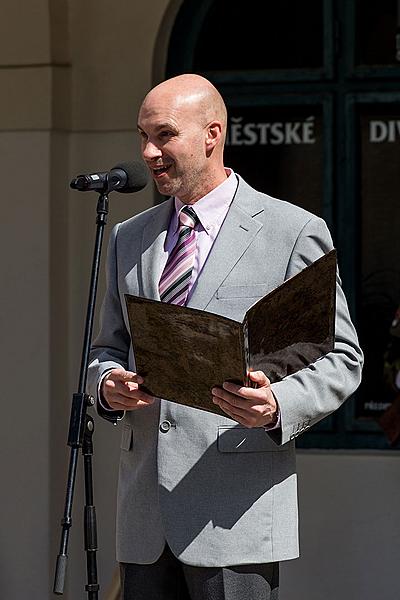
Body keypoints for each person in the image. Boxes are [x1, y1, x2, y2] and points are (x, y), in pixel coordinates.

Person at [87, 74, 363, 600]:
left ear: (212, 134)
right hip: (145, 516)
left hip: (236, 514)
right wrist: (107, 385)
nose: (148, 152)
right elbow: (106, 346)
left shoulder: (292, 231)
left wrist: (277, 403)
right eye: (142, 136)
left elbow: (343, 358)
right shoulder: (130, 236)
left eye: (164, 135)